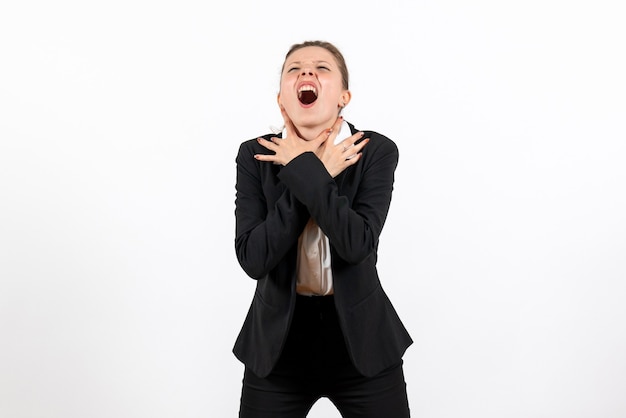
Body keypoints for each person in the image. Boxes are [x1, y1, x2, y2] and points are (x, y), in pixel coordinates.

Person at [233, 40, 413, 417]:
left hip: (362, 342)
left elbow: (356, 244)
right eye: (294, 69)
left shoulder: (375, 151)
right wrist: (316, 171)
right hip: (277, 348)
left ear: (343, 96)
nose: (306, 73)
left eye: (322, 68)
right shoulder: (254, 155)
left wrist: (305, 171)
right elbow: (254, 257)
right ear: (282, 97)